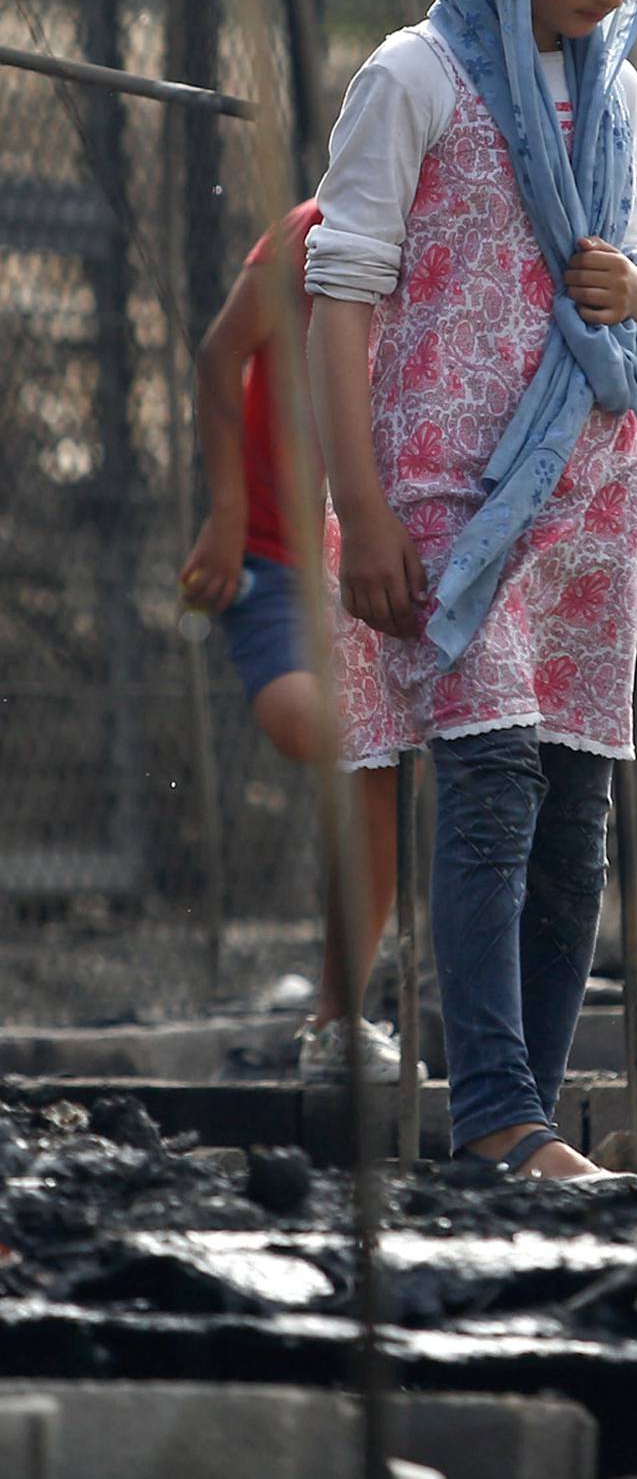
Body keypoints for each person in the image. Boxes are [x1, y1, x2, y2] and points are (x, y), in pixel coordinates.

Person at [306, 0, 637, 1184]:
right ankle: (497, 1111)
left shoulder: (614, 91)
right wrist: (365, 508)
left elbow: (633, 284)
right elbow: (339, 294)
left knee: (576, 805)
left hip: (588, 489)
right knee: (486, 787)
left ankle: (526, 1112)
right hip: (448, 497)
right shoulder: (414, 76)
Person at [178, 201, 405, 1081]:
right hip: (272, 561)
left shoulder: (465, 236)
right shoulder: (313, 229)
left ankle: (338, 1016)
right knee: (324, 729)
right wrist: (228, 516)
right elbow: (217, 356)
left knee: (376, 766)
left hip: (373, 559)